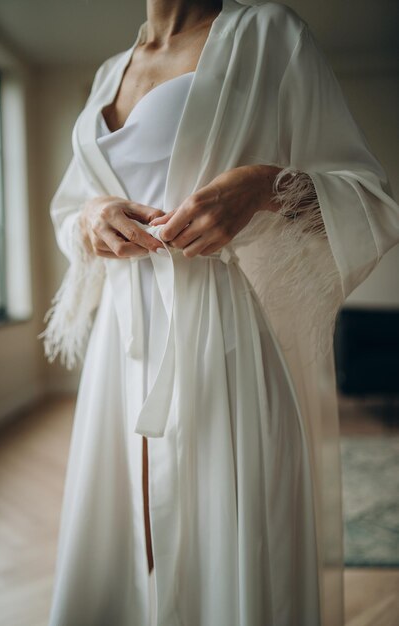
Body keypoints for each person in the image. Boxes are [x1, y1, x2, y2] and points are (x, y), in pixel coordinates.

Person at [39, 1, 399, 624]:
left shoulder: (268, 36)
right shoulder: (107, 74)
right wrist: (91, 218)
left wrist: (265, 186)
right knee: (122, 541)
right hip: (118, 352)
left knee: (226, 547)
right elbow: (67, 211)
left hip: (223, 341)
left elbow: (372, 201)